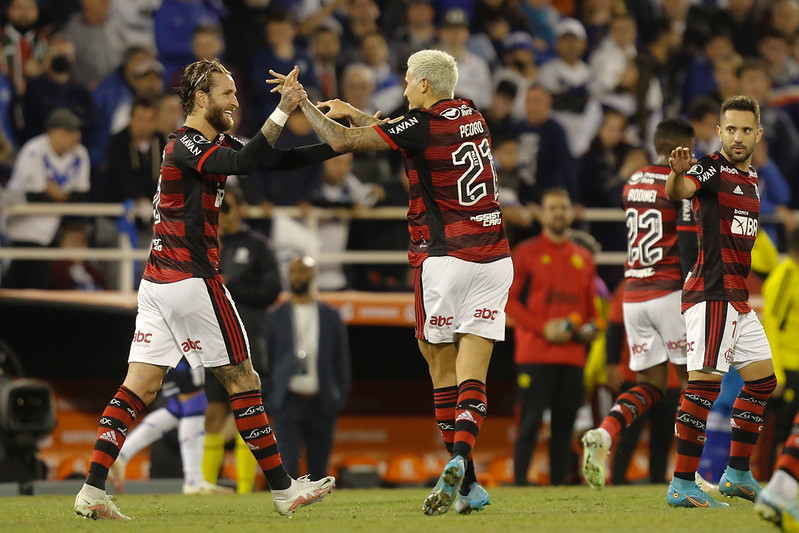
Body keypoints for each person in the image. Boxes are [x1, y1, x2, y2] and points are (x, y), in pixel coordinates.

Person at [72, 58, 339, 521]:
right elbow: (245, 160)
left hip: (157, 284)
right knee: (244, 380)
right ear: (201, 98)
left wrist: (338, 143)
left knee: (140, 385)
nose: (235, 101)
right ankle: (283, 490)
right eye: (227, 93)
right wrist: (282, 112)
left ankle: (91, 491)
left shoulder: (208, 142)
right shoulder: (184, 143)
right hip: (191, 279)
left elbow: (272, 159)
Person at [273, 49, 513, 516]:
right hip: (495, 258)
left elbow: (347, 142)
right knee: (474, 374)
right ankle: (466, 475)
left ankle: (464, 475)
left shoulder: (421, 123)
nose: (402, 89)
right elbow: (409, 137)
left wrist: (301, 103)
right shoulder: (472, 115)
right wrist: (355, 111)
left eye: (407, 81)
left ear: (424, 84)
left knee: (442, 371)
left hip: (446, 259)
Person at [664, 95, 777, 508]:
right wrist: (677, 175)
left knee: (763, 381)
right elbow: (682, 187)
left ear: (758, 134)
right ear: (720, 132)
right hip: (712, 294)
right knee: (704, 387)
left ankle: (737, 474)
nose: (738, 136)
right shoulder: (711, 167)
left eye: (746, 129)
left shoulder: (750, 180)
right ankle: (681, 482)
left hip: (737, 298)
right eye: (730, 129)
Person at [581, 117, 698, 489]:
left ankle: (605, 431)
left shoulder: (633, 181)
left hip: (634, 295)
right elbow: (686, 244)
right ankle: (688, 477)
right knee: (695, 384)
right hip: (668, 292)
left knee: (650, 385)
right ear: (684, 148)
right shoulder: (677, 184)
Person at [506, 188, 598, 486]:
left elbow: (590, 311)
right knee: (529, 425)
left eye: (563, 207)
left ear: (571, 213)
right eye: (553, 208)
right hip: (535, 354)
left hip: (572, 357)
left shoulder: (584, 258)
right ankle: (520, 483)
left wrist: (589, 330)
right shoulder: (526, 254)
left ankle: (558, 488)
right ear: (542, 214)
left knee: (564, 428)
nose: (559, 213)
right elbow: (508, 300)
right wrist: (542, 327)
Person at [202, 184, 282, 494]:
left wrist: (230, 287)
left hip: (248, 340)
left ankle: (245, 488)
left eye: (227, 207)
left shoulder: (258, 245)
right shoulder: (204, 243)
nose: (221, 215)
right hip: (212, 341)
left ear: (241, 209)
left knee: (246, 413)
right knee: (213, 414)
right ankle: (205, 486)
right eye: (217, 208)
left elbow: (272, 290)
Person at [265, 255, 351, 480]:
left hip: (321, 400)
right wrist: (272, 398)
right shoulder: (276, 316)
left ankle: (319, 514)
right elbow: (267, 361)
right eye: (294, 271)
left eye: (303, 271)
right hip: (288, 400)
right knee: (288, 464)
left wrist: (338, 397)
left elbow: (341, 361)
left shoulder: (330, 316)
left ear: (313, 275)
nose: (298, 276)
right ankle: (288, 510)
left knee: (319, 468)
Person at [110, 359, 231, 495]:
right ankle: (194, 481)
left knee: (176, 409)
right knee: (195, 404)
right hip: (182, 351)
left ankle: (122, 454)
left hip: (169, 353)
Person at [3, 108, 90, 289]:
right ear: (53, 132)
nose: (76, 136)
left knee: (39, 287)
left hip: (51, 230)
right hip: (20, 229)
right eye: (69, 131)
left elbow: (81, 196)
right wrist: (60, 196)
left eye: (76, 131)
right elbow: (34, 197)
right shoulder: (33, 150)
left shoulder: (80, 154)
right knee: (14, 286)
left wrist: (55, 193)